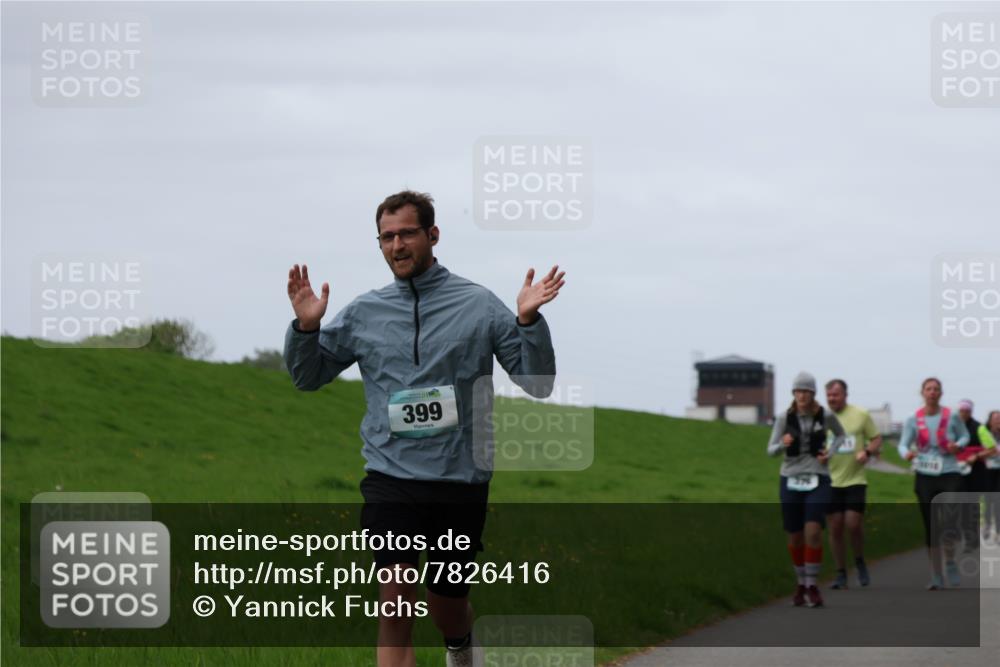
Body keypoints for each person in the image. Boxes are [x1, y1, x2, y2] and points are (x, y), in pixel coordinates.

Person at [283, 190, 564, 667]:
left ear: (432, 235)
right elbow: (307, 377)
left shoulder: (477, 304)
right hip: (391, 476)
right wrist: (306, 330)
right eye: (387, 237)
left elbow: (537, 383)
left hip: (460, 480)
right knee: (395, 596)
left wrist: (528, 320)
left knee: (446, 606)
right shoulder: (364, 312)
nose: (397, 246)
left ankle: (460, 644)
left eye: (407, 234)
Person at [768, 371, 846, 608]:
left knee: (812, 530)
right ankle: (800, 582)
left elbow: (841, 436)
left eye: (806, 391)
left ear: (813, 394)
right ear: (793, 393)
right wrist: (783, 444)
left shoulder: (825, 416)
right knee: (794, 535)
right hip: (790, 478)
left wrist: (829, 454)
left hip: (818, 477)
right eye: (798, 391)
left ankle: (812, 585)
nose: (802, 395)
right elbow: (770, 450)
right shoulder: (784, 418)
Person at [897, 378, 970, 590]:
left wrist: (959, 445)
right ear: (922, 393)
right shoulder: (913, 418)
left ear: (941, 393)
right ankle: (936, 574)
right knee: (931, 526)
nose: (932, 392)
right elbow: (903, 443)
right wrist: (906, 454)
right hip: (925, 473)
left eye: (936, 389)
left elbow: (965, 436)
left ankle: (950, 561)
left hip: (949, 471)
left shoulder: (952, 416)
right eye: (929, 389)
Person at [823, 379, 882, 589]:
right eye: (829, 395)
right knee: (836, 527)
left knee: (853, 524)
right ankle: (840, 572)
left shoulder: (860, 414)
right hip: (830, 480)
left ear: (845, 395)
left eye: (836, 395)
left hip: (855, 479)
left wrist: (866, 451)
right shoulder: (821, 418)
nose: (832, 399)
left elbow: (876, 439)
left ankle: (859, 561)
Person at [957, 399, 989, 552]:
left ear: (971, 411)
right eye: (961, 410)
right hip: (957, 470)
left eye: (966, 410)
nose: (964, 413)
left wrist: (976, 456)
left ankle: (972, 539)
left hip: (975, 471)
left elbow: (992, 449)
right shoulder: (953, 426)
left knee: (971, 505)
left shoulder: (979, 428)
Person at [979, 411, 1000, 543]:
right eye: (996, 418)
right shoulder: (983, 434)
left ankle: (998, 531)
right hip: (986, 470)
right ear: (990, 421)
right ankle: (986, 524)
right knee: (988, 500)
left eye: (999, 419)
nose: (998, 421)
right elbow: (978, 451)